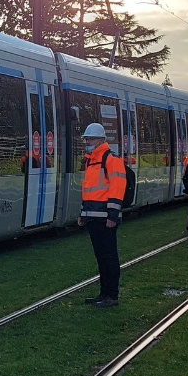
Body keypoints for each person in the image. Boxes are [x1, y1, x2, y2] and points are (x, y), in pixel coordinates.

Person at [79, 123, 129, 307]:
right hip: (93, 215)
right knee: (101, 258)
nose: (87, 142)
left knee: (109, 257)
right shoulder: (91, 160)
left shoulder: (110, 159)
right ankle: (104, 293)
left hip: (105, 217)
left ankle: (112, 295)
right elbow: (88, 190)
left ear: (100, 140)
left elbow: (117, 188)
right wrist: (83, 213)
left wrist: (112, 215)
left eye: (90, 139)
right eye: (86, 139)